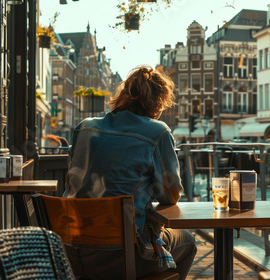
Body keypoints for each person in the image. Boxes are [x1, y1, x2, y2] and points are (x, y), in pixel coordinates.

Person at [65, 65, 197, 280]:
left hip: (70, 252)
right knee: (188, 242)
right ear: (158, 103)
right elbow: (170, 195)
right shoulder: (158, 132)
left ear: (123, 95)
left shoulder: (84, 127)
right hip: (120, 256)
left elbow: (75, 183)